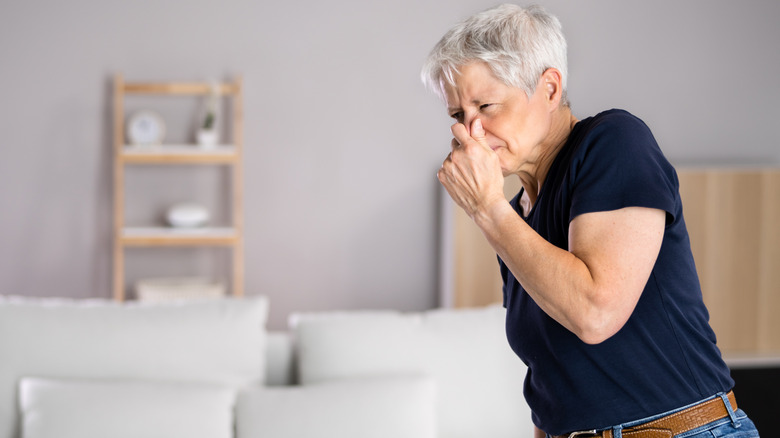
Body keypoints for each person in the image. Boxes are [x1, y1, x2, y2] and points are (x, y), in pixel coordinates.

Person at [421, 4, 759, 438]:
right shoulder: (518, 214)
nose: (471, 132)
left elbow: (595, 313)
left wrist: (487, 209)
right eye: (457, 115)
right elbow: (554, 379)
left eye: (486, 105)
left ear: (549, 88)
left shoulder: (613, 142)